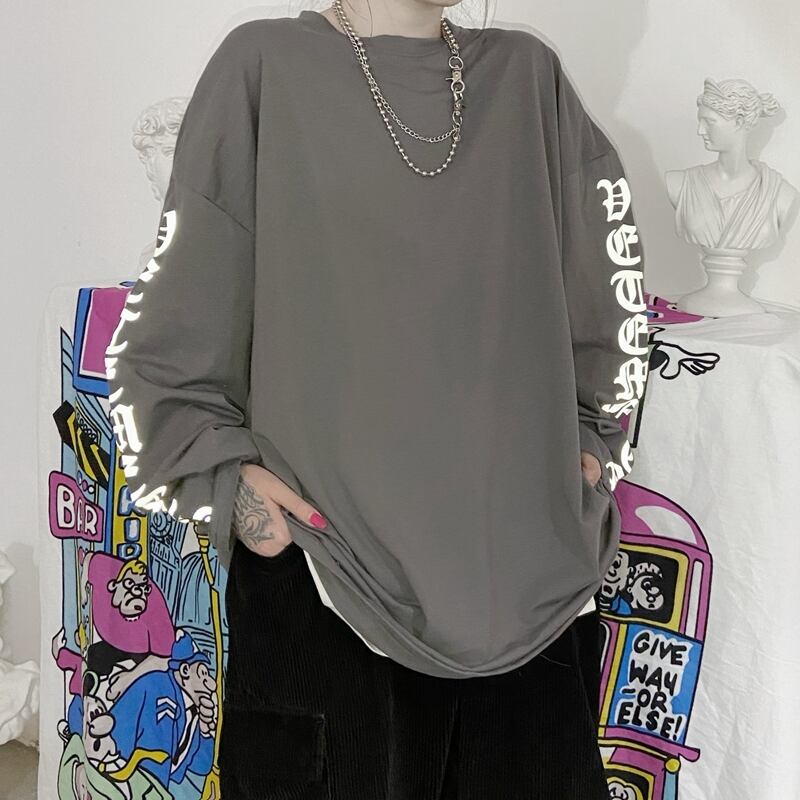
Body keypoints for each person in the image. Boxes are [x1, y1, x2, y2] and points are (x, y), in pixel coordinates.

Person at [105, 1, 650, 797]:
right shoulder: (265, 67)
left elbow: (611, 303)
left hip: (533, 597)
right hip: (332, 586)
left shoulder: (527, 78)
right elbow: (174, 331)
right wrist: (241, 500)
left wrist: (593, 451)